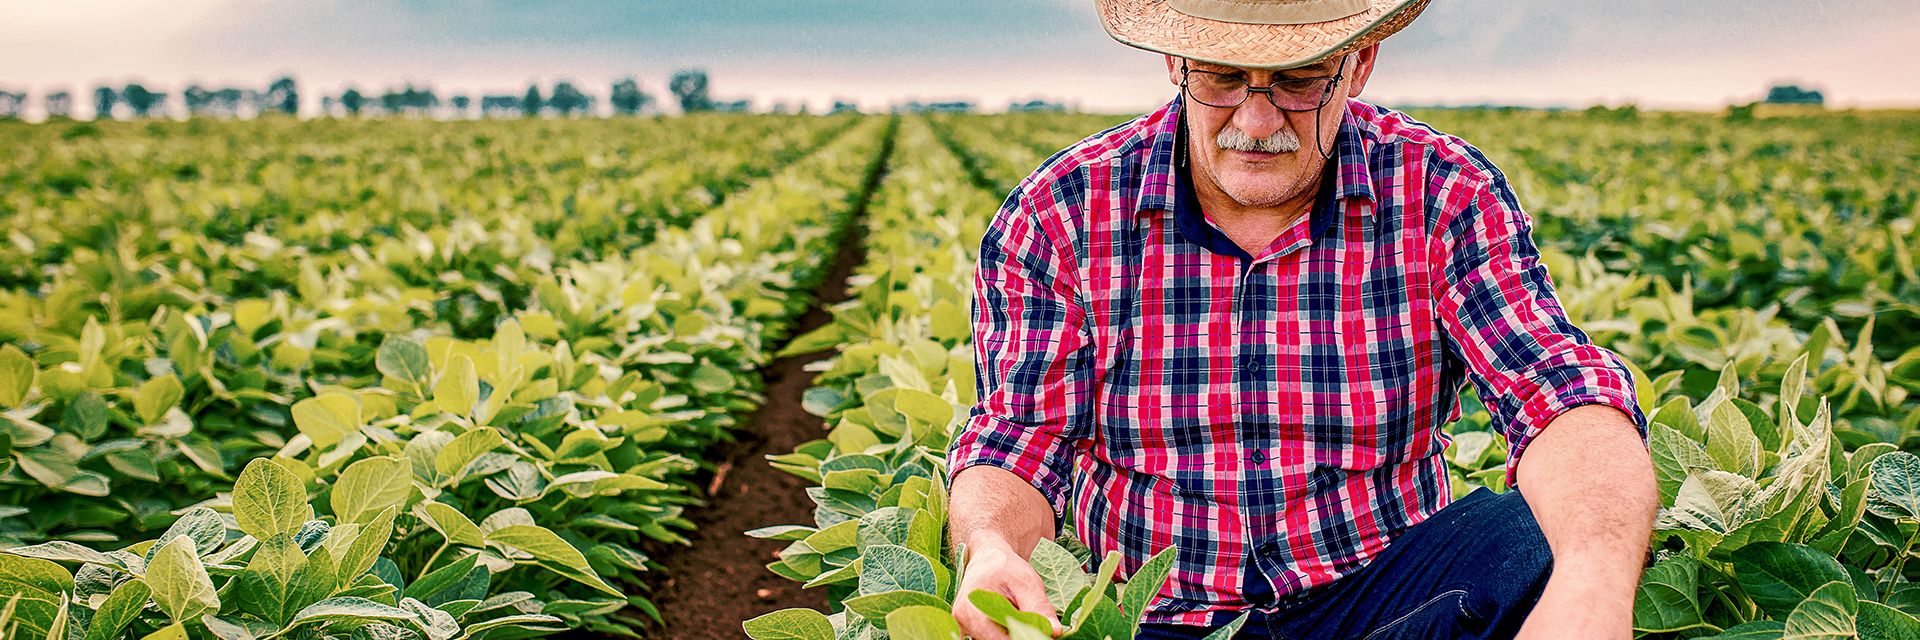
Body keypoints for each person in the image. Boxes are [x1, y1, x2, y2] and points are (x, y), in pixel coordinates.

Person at [945, 0, 1658, 638]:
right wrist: (992, 548)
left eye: (1299, 79)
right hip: (1157, 614)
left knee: (1551, 534)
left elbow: (1556, 389)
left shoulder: (1441, 190)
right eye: (1223, 77)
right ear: (1175, 64)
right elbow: (1019, 441)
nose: (1256, 121)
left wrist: (1589, 591)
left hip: (1385, 596)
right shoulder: (1062, 210)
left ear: (1359, 64)